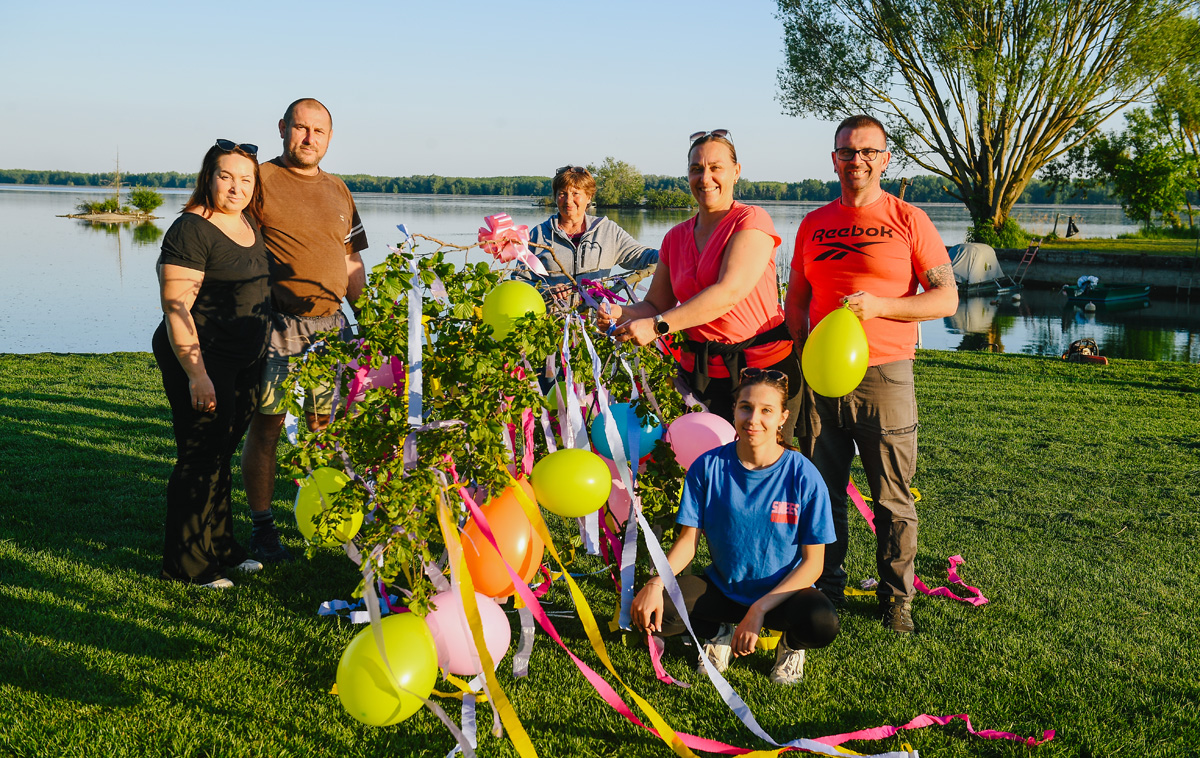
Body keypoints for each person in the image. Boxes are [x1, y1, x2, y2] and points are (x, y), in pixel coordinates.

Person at [783, 115, 958, 633]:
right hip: (820, 378)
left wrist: (881, 306)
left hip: (886, 374)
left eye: (866, 151)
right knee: (822, 489)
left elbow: (946, 298)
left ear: (884, 158)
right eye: (845, 152)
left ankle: (895, 596)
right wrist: (800, 353)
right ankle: (827, 584)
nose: (854, 160)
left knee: (891, 494)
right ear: (832, 159)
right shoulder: (813, 223)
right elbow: (796, 299)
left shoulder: (910, 219)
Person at [630, 368, 839, 684]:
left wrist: (759, 609)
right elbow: (688, 541)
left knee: (822, 622)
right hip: (724, 589)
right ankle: (717, 630)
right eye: (746, 407)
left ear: (783, 417)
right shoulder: (708, 467)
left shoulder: (803, 475)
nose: (753, 419)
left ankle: (792, 646)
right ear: (734, 410)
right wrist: (655, 583)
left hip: (783, 596)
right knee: (655, 612)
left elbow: (814, 564)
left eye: (766, 410)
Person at [597, 131, 801, 439]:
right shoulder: (674, 237)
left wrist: (657, 326)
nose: (705, 178)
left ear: (736, 171)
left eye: (715, 167)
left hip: (761, 373)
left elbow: (727, 293)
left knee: (760, 470)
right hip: (700, 376)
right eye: (696, 169)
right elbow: (656, 304)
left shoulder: (751, 220)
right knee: (706, 469)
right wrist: (621, 313)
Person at [240, 98, 369, 563]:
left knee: (327, 428)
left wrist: (369, 314)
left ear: (329, 137)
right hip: (277, 326)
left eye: (318, 130)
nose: (309, 138)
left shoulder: (339, 189)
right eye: (300, 128)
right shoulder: (260, 180)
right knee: (269, 425)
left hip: (331, 327)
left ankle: (328, 518)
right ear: (282, 128)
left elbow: (352, 260)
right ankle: (263, 528)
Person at [152, 139, 271, 589]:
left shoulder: (246, 222)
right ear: (209, 177)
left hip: (242, 361)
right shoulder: (191, 229)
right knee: (199, 458)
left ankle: (220, 547)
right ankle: (187, 565)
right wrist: (197, 375)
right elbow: (176, 308)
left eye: (246, 179)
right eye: (226, 176)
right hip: (203, 359)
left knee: (220, 456)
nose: (236, 187)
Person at [525, 165, 657, 304]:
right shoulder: (538, 235)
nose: (568, 200)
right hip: (549, 323)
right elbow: (520, 280)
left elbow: (644, 256)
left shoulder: (608, 231)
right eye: (562, 193)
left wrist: (674, 251)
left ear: (588, 197)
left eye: (576, 193)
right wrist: (547, 290)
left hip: (595, 322)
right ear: (555, 197)